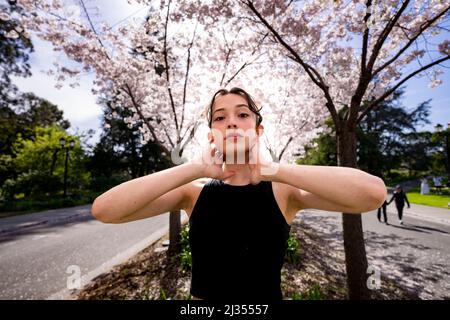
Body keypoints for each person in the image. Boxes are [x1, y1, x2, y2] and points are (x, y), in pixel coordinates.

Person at [91, 87, 386, 301]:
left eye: (242, 114)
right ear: (211, 136)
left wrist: (275, 170)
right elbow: (105, 210)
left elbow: (372, 194)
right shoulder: (192, 194)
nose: (231, 121)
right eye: (220, 118)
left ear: (258, 130)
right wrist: (193, 169)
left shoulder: (285, 192)